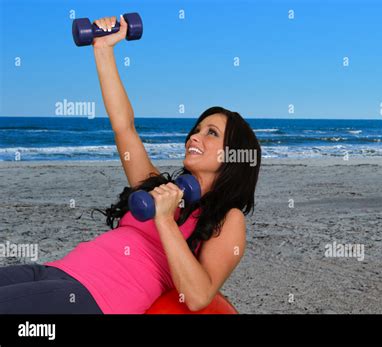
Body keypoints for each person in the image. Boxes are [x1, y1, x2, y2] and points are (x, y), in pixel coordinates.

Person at [0, 15, 261, 314]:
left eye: (211, 133)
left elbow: (199, 294)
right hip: (56, 272)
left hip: (94, 298)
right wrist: (103, 48)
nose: (194, 137)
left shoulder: (228, 220)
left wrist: (165, 220)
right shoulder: (157, 186)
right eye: (197, 129)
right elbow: (124, 127)